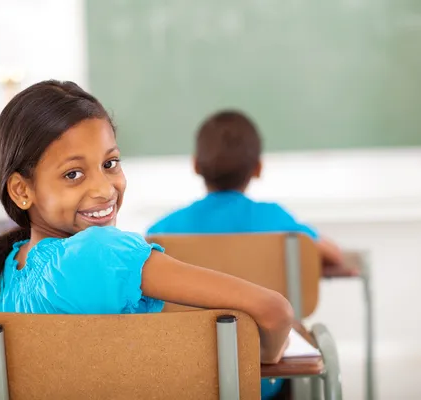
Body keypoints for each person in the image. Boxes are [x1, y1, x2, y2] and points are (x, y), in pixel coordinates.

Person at [0, 82, 293, 383]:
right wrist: (267, 356)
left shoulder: (3, 272)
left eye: (110, 163)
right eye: (73, 174)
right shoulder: (106, 253)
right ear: (22, 190)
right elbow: (273, 311)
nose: (104, 189)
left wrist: (15, 363)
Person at [146, 110, 344, 399]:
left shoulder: (162, 232)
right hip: (269, 375)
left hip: (187, 377)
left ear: (195, 165)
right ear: (258, 168)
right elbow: (334, 255)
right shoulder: (277, 222)